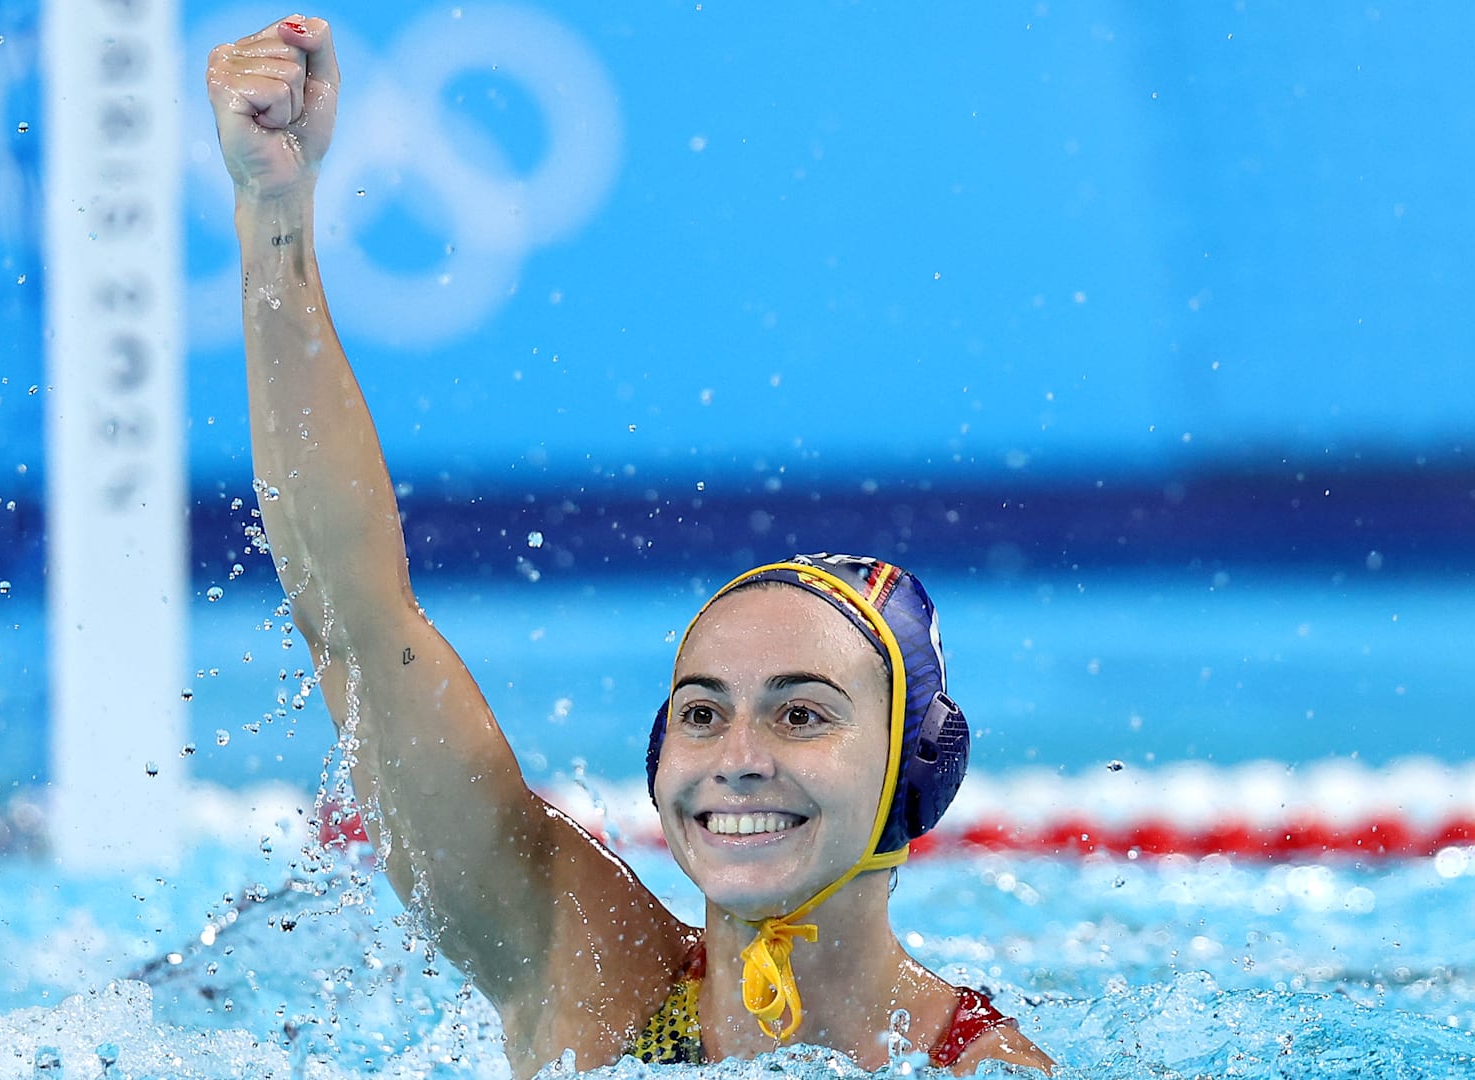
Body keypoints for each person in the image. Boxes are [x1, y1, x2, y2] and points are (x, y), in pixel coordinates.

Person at [206, 14, 1056, 1076]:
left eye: (802, 714)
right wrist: (274, 215)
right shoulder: (584, 970)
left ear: (917, 772)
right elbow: (356, 629)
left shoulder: (984, 1068)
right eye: (703, 714)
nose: (738, 761)